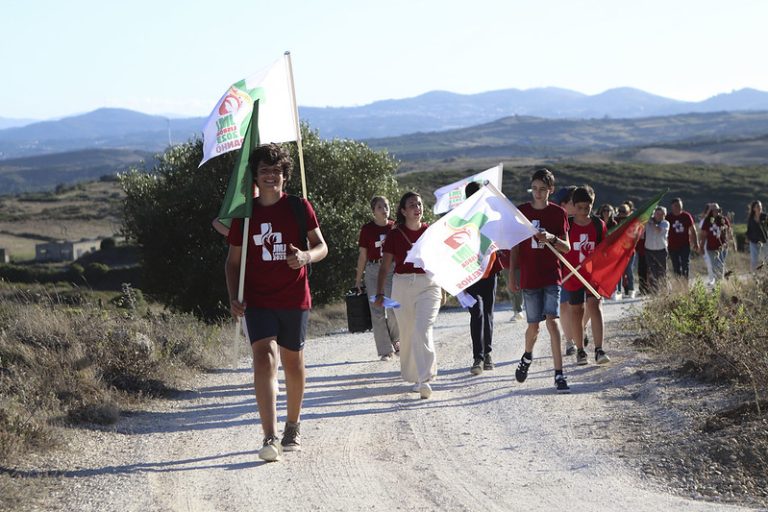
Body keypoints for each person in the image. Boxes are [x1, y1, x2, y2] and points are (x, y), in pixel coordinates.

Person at [225, 143, 328, 462]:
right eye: (264, 171)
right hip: (256, 300)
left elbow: (322, 246)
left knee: (293, 362)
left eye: (276, 171)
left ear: (285, 175)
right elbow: (232, 262)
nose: (271, 176)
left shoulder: (300, 207)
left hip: (294, 297)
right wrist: (233, 297)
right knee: (263, 358)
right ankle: (269, 436)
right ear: (255, 177)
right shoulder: (244, 214)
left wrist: (305, 256)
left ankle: (292, 426)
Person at [508, 168, 571, 393]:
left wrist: (552, 238)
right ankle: (527, 356)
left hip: (552, 275)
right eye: (534, 188)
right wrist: (511, 274)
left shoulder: (558, 214)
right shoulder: (522, 212)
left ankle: (559, 374)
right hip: (529, 276)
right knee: (533, 326)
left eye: (542, 189)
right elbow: (515, 247)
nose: (538, 193)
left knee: (552, 322)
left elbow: (567, 247)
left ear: (550, 191)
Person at [375, 191, 442, 399]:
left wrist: (445, 287)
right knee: (408, 332)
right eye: (412, 204)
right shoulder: (395, 235)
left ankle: (424, 379)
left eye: (420, 204)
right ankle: (416, 376)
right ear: (403, 211)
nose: (417, 208)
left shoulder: (431, 232)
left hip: (429, 285)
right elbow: (385, 266)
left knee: (422, 328)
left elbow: (440, 261)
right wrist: (379, 292)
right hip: (402, 285)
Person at [563, 186, 610, 365]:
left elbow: (604, 248)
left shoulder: (599, 224)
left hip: (592, 275)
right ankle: (581, 350)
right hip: (572, 274)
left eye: (587, 208)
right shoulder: (567, 224)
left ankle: (599, 349)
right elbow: (561, 247)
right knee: (576, 311)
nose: (583, 212)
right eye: (580, 208)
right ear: (574, 206)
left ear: (592, 205)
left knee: (595, 306)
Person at [354, 196, 400, 360]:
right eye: (380, 207)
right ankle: (385, 350)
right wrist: (358, 279)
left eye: (386, 206)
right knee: (377, 311)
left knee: (394, 307)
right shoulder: (367, 229)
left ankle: (397, 341)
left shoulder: (395, 227)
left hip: (392, 269)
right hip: (373, 270)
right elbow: (363, 255)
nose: (384, 209)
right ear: (373, 211)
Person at [464, 181, 499, 375]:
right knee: (476, 312)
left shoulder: (490, 213)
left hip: (491, 269)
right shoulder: (461, 218)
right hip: (469, 273)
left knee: (488, 313)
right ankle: (478, 357)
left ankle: (488, 354)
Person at [550, 186, 579, 356]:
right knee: (564, 305)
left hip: (580, 270)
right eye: (573, 202)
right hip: (561, 269)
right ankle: (570, 341)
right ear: (564, 204)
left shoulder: (582, 220)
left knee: (582, 306)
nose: (578, 205)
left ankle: (580, 331)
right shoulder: (554, 221)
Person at [665, 198, 698, 279]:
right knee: (676, 267)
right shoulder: (668, 217)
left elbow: (693, 230)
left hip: (685, 245)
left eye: (680, 205)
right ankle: (678, 285)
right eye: (676, 206)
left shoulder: (686, 216)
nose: (678, 207)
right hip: (672, 246)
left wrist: (696, 243)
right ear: (672, 207)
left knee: (685, 265)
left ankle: (685, 284)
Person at [699, 203, 732, 282]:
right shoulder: (707, 221)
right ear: (711, 211)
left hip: (722, 247)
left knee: (720, 265)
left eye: (718, 210)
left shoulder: (723, 220)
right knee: (714, 266)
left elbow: (729, 231)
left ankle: (720, 284)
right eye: (714, 210)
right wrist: (701, 246)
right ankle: (718, 284)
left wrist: (729, 241)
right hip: (711, 248)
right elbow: (703, 235)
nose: (717, 212)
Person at [645, 206, 670, 292]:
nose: (658, 216)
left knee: (662, 271)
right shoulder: (648, 222)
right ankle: (654, 290)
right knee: (652, 271)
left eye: (661, 214)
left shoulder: (665, 223)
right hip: (649, 250)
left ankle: (663, 289)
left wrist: (651, 222)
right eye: (657, 213)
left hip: (661, 250)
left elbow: (657, 230)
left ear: (664, 215)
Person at [615, 203, 637, 298]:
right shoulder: (615, 221)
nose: (621, 213)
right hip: (618, 251)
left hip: (629, 251)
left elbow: (634, 236)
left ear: (628, 212)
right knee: (618, 272)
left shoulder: (632, 222)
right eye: (620, 211)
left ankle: (631, 289)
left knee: (629, 271)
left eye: (623, 211)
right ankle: (619, 291)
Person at [746, 200, 768, 271]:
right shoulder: (751, 219)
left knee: (766, 258)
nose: (760, 208)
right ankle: (754, 275)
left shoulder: (765, 217)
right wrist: (747, 238)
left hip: (764, 241)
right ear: (754, 208)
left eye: (760, 206)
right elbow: (749, 230)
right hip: (754, 242)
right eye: (758, 206)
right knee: (754, 260)